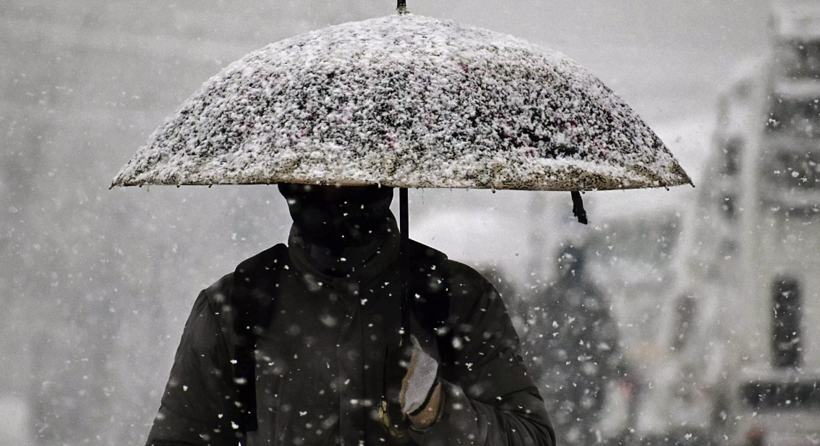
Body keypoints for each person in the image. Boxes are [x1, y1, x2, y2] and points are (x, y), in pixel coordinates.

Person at [145, 184, 555, 446]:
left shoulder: (455, 297)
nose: (334, 190)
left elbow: (532, 438)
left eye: (350, 176)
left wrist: (439, 410)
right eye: (314, 176)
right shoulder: (238, 305)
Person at [522, 245, 621, 446]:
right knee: (584, 431)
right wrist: (604, 372)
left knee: (556, 430)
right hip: (587, 383)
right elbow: (608, 341)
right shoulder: (593, 298)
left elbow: (533, 341)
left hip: (555, 381)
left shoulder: (548, 296)